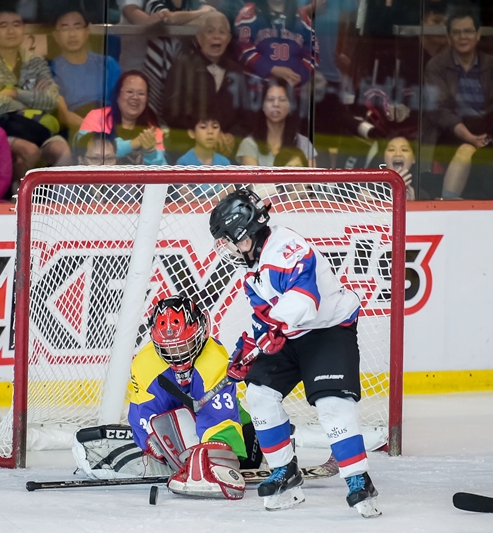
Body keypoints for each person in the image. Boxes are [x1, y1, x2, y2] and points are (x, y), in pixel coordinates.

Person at [208, 188, 380, 517]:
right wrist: (250, 348)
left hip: (327, 331)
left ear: (245, 234)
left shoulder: (287, 248)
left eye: (230, 239)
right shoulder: (251, 267)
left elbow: (305, 299)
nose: (228, 247)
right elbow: (264, 316)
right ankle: (285, 471)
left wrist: (274, 326)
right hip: (287, 334)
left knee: (331, 402)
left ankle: (359, 479)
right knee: (258, 394)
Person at [73, 296, 262, 498]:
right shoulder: (146, 364)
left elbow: (219, 421)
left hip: (236, 432)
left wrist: (214, 460)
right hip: (180, 429)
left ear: (201, 333)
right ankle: (183, 460)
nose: (176, 354)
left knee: (244, 456)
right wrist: (151, 442)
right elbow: (141, 414)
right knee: (167, 424)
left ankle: (252, 443)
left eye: (184, 345)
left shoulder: (214, 359)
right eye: (169, 348)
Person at [0, 6, 72, 186]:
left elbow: (51, 100)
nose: (11, 31)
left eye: (17, 24)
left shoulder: (35, 61)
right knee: (29, 151)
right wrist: (30, 102)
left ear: (24, 29)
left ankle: (57, 206)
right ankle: (17, 201)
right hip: (0, 128)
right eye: (3, 25)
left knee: (62, 149)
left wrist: (14, 92)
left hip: (35, 126)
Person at [424, 7, 493, 199]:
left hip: (487, 134)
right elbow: (439, 111)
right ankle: (448, 206)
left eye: (468, 31)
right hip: (450, 134)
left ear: (478, 35)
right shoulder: (436, 66)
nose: (463, 36)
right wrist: (469, 137)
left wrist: (484, 137)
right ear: (448, 37)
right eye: (457, 32)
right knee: (465, 151)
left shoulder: (490, 64)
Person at [162, 11, 250, 162]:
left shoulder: (238, 73)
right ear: (199, 37)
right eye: (210, 31)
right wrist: (204, 135)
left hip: (227, 149)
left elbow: (247, 116)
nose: (216, 36)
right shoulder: (181, 67)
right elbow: (171, 112)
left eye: (222, 32)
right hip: (187, 148)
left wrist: (231, 136)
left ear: (228, 39)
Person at [50, 8, 122, 134]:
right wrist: (95, 130)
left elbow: (122, 105)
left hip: (111, 126)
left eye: (77, 27)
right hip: (76, 131)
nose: (72, 34)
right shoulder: (51, 70)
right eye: (65, 29)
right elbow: (63, 114)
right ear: (56, 36)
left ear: (87, 31)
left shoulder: (108, 64)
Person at [78, 71, 167, 165]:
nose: (135, 97)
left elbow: (162, 171)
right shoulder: (96, 117)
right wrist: (133, 143)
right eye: (129, 92)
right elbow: (82, 149)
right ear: (117, 95)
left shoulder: (152, 131)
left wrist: (150, 153)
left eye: (141, 94)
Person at [233, 0, 317, 88]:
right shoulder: (248, 13)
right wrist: (271, 69)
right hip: (257, 87)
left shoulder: (302, 16)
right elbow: (243, 48)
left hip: (294, 89)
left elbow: (313, 52)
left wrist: (300, 75)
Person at [236, 79, 316, 166]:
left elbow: (311, 178)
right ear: (263, 106)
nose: (276, 104)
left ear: (290, 106)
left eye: (282, 100)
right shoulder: (249, 144)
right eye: (270, 99)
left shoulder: (304, 144)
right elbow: (253, 179)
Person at [382, 137, 416, 201]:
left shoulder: (422, 195)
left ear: (413, 159)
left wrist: (411, 203)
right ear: (384, 158)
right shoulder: (368, 189)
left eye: (404, 150)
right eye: (391, 150)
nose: (398, 154)